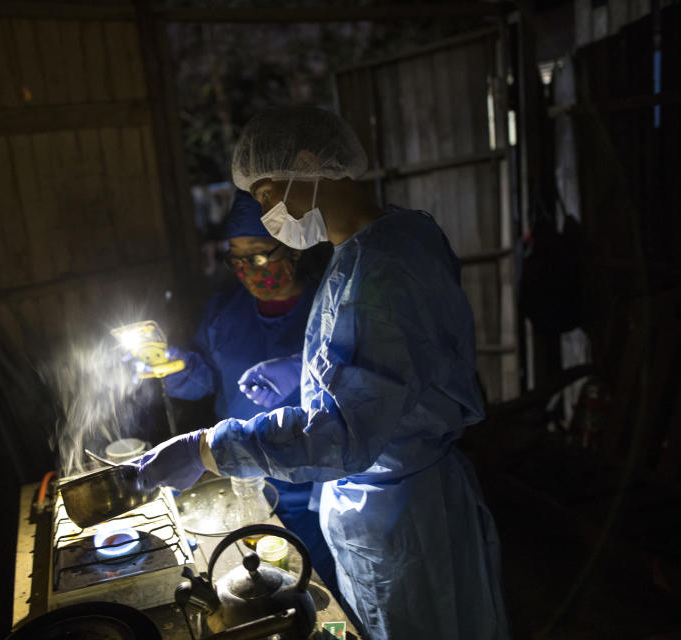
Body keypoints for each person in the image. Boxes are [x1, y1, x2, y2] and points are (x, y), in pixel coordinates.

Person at [136, 106, 510, 639]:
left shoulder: (384, 265)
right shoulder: (379, 243)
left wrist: (207, 448)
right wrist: (307, 370)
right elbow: (396, 358)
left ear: (309, 163)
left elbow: (343, 433)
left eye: (266, 195)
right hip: (378, 504)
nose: (267, 214)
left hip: (400, 515)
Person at [150, 189, 338, 594]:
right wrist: (175, 366)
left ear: (293, 248)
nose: (248, 269)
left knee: (324, 592)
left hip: (320, 489)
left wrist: (299, 366)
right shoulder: (224, 312)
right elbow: (205, 380)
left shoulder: (329, 308)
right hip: (246, 482)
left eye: (258, 254)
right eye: (237, 259)